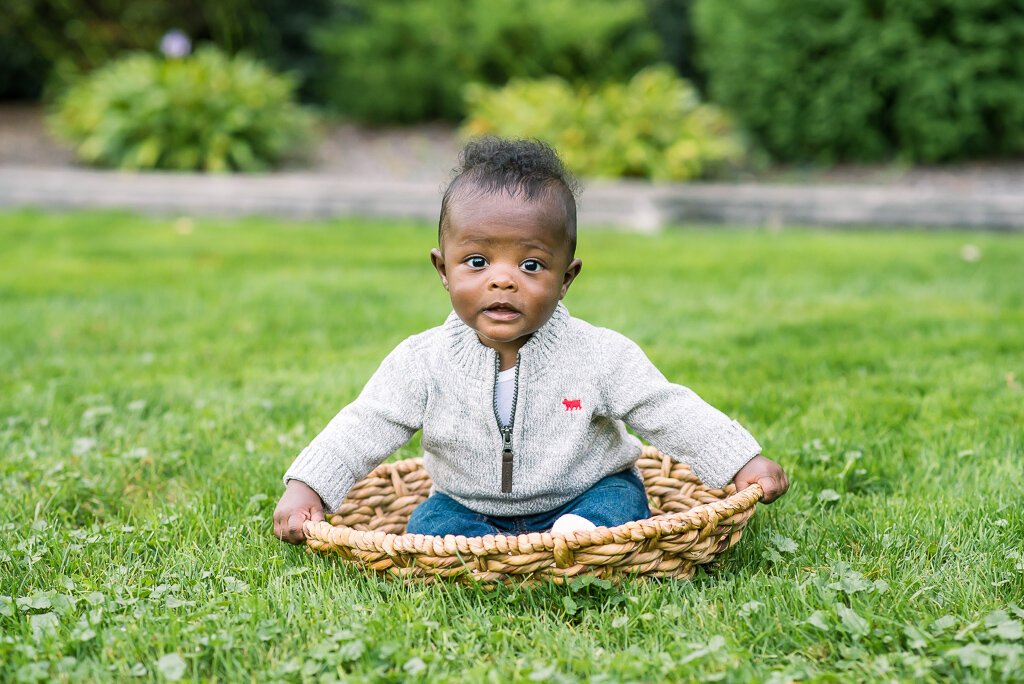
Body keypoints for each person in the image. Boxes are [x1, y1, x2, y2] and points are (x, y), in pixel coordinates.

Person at [274, 137, 789, 544]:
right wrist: (308, 486)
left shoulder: (600, 355)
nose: (502, 280)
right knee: (429, 524)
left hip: (585, 494)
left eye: (531, 265)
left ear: (566, 278)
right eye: (477, 261)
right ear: (443, 270)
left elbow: (667, 408)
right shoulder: (421, 361)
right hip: (469, 504)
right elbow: (365, 423)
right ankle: (493, 549)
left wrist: (739, 460)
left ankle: (577, 536)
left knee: (624, 503)